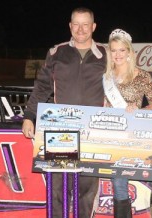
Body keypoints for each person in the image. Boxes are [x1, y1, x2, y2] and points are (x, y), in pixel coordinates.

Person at [22, 7, 107, 218]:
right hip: (59, 129)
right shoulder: (56, 53)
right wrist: (29, 116)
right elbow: (42, 87)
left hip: (93, 131)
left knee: (87, 189)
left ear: (93, 27)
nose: (80, 29)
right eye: (76, 24)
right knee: (57, 187)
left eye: (85, 24)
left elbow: (128, 78)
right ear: (70, 25)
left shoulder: (106, 54)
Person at [103, 29, 152, 218]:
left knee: (119, 182)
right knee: (113, 182)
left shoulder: (141, 76)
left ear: (129, 52)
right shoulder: (106, 76)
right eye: (113, 50)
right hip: (109, 134)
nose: (117, 55)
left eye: (121, 50)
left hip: (132, 136)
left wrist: (138, 110)